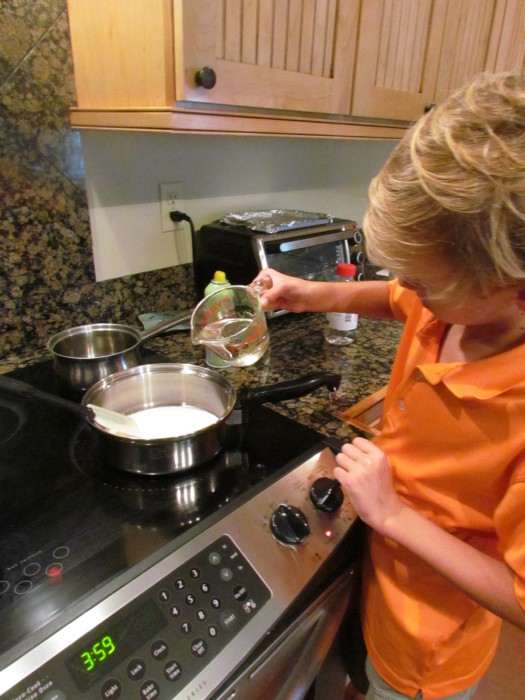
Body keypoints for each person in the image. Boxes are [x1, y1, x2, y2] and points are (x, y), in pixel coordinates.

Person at [254, 71, 525, 700]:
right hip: (376, 584)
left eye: (427, 284)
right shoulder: (460, 302)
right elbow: (397, 298)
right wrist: (309, 294)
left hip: (425, 649)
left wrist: (393, 513)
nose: (414, 295)